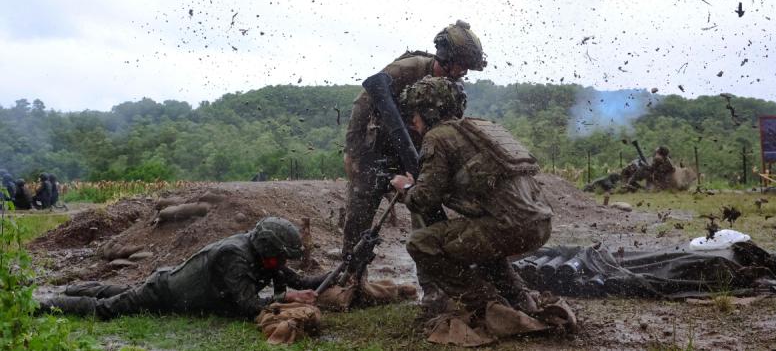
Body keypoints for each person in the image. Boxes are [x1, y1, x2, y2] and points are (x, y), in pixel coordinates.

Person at [342, 20, 486, 300]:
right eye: (458, 65)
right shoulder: (410, 69)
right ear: (444, 56)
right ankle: (352, 281)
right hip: (377, 150)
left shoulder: (453, 88)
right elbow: (365, 100)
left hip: (418, 153)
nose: (461, 73)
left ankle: (433, 288)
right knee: (359, 215)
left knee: (425, 214)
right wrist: (353, 150)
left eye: (466, 68)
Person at [389, 76, 552, 319]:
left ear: (428, 111)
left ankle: (488, 307)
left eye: (415, 112)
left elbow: (424, 199)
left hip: (511, 227)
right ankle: (520, 299)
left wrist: (406, 188)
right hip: (539, 225)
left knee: (421, 243)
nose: (413, 120)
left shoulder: (437, 136)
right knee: (478, 243)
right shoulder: (479, 129)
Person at [38, 217, 326, 319]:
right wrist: (285, 298)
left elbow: (301, 281)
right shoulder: (234, 256)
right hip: (163, 293)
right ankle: (44, 303)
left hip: (168, 286)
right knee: (107, 309)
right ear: (268, 249)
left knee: (120, 291)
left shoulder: (263, 257)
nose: (283, 264)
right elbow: (248, 307)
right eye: (281, 257)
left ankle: (72, 288)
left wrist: (346, 270)